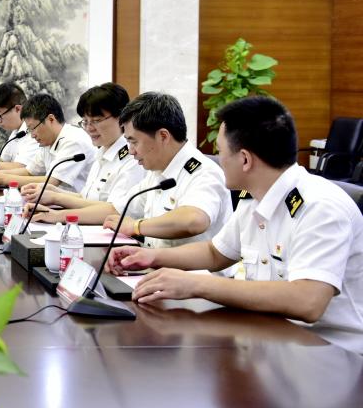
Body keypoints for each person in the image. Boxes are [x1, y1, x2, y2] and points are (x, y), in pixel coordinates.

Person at [108, 97, 363, 332]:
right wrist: (150, 257)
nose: (218, 160)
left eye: (221, 151)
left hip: (329, 352)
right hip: (270, 335)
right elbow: (215, 253)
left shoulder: (320, 207)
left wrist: (196, 285)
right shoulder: (254, 198)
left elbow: (308, 301)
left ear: (245, 160)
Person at [56, 91, 232, 249]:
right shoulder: (157, 172)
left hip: (191, 274)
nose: (131, 151)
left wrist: (136, 226)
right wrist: (57, 216)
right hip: (154, 268)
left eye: (134, 142)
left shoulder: (203, 172)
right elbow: (117, 209)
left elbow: (194, 220)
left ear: (163, 136)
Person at [21, 83, 144, 223]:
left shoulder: (133, 158)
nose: (89, 128)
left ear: (121, 117)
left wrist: (56, 202)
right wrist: (53, 191)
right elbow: (86, 198)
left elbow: (114, 210)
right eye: (85, 121)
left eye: (96, 121)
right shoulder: (102, 152)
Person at [0, 93, 96, 193]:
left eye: (33, 128)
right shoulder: (47, 141)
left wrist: (3, 178)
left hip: (78, 206)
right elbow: (29, 172)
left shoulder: (73, 140)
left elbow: (51, 181)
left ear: (51, 119)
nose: (32, 135)